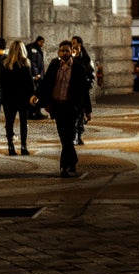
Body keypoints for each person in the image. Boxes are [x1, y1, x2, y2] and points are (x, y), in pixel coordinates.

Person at [33, 39, 92, 178]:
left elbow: (84, 91)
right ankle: (73, 160)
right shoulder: (54, 65)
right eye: (62, 51)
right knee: (63, 136)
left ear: (72, 51)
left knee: (69, 136)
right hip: (57, 106)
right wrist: (36, 95)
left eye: (67, 50)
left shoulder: (78, 68)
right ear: (59, 52)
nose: (64, 53)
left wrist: (88, 111)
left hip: (71, 107)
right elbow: (46, 82)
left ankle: (63, 167)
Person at [0, 40, 35, 156]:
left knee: (9, 123)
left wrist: (3, 98)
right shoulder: (25, 63)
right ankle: (24, 146)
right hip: (23, 98)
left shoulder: (5, 64)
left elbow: (2, 84)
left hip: (9, 98)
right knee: (23, 123)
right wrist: (32, 96)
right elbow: (30, 83)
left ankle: (11, 147)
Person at [71, 35, 96, 145]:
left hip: (81, 90)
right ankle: (74, 135)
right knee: (72, 115)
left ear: (80, 44)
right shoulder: (70, 59)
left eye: (74, 43)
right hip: (71, 91)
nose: (73, 45)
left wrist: (89, 83)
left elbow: (91, 74)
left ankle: (78, 135)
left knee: (80, 114)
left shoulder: (86, 59)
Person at [27, 35, 46, 119]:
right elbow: (33, 62)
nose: (42, 44)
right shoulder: (34, 49)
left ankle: (35, 112)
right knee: (35, 94)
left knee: (36, 93)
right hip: (36, 76)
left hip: (37, 75)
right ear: (39, 41)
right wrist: (36, 74)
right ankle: (34, 113)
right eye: (42, 42)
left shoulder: (36, 48)